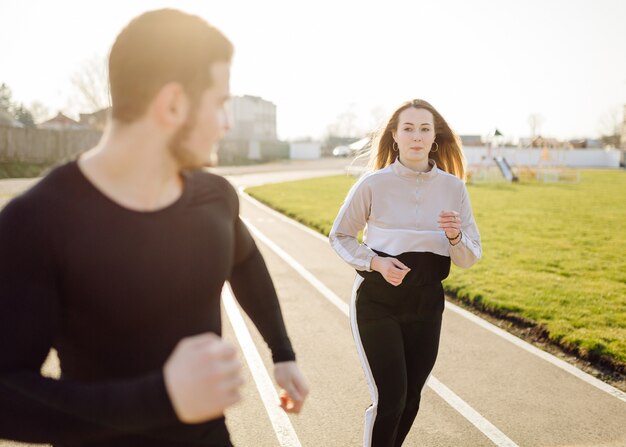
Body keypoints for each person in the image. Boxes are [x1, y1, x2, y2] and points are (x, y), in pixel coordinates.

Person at [0, 9, 308, 446]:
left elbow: (244, 260)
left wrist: (283, 353)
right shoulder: (36, 222)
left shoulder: (215, 197)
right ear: (173, 105)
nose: (227, 123)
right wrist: (162, 398)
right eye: (220, 104)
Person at [329, 99, 481, 447]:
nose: (417, 136)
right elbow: (339, 236)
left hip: (427, 303)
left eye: (424, 129)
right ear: (395, 137)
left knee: (412, 399)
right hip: (378, 302)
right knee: (391, 399)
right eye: (408, 129)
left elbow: (470, 256)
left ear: (434, 137)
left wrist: (455, 236)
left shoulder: (454, 188)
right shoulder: (372, 184)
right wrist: (376, 262)